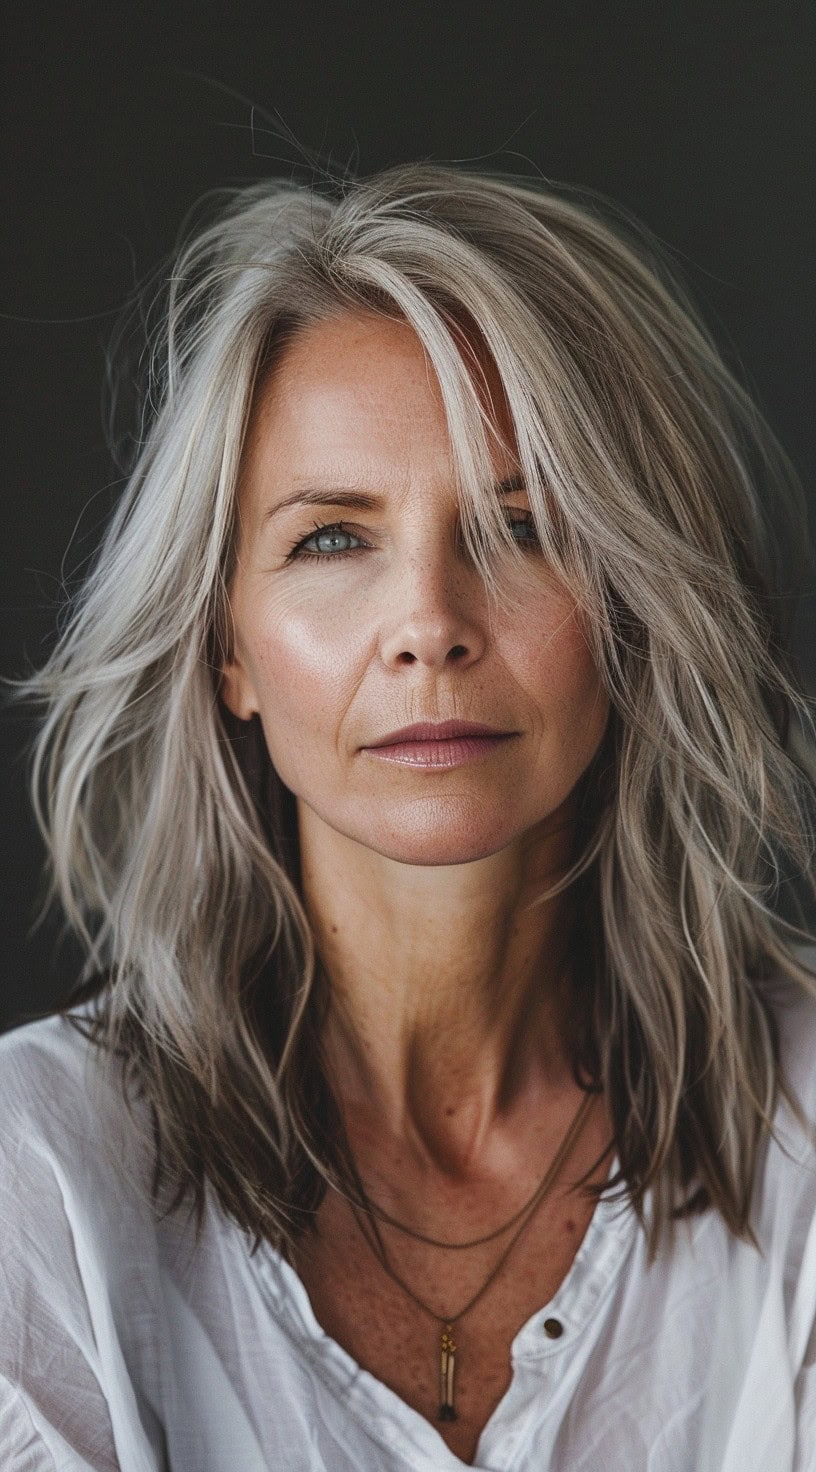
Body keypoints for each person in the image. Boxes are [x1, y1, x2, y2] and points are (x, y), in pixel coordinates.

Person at [2, 160, 816, 1472]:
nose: (430, 624)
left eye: (522, 525)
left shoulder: (804, 1134)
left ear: (634, 608)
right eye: (333, 538)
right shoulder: (33, 1173)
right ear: (227, 648)